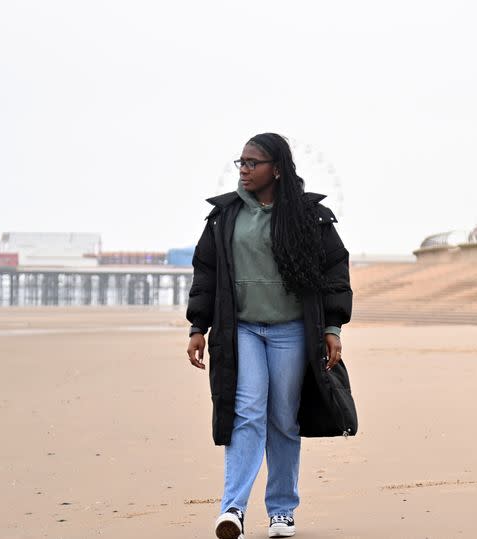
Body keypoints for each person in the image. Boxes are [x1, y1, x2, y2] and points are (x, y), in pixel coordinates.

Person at [186, 133, 355, 539]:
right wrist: (197, 326)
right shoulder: (225, 216)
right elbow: (205, 273)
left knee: (282, 418)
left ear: (276, 169)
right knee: (246, 412)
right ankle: (233, 509)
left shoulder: (310, 216)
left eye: (252, 163)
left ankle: (282, 511)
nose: (243, 169)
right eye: (240, 163)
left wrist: (332, 327)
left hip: (292, 331)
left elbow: (335, 270)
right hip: (241, 328)